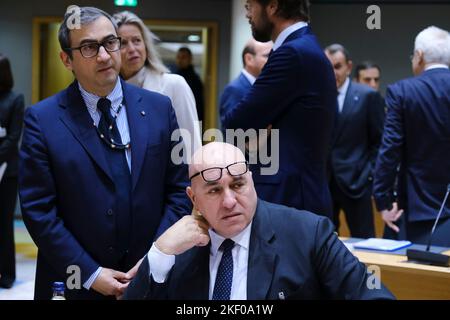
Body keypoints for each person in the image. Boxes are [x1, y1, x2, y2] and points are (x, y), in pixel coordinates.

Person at [18, 6, 191, 300]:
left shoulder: (160, 109)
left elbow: (178, 192)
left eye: (111, 42)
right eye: (88, 47)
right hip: (75, 284)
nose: (103, 55)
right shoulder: (42, 120)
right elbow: (39, 212)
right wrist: (91, 274)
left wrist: (153, 259)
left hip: (152, 280)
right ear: (66, 59)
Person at [123, 142, 395, 300]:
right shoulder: (179, 247)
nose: (229, 201)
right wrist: (158, 254)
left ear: (252, 181)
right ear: (194, 199)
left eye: (238, 184)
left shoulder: (308, 233)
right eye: (215, 190)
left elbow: (372, 294)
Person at [221, 0, 337, 218]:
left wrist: (260, 131)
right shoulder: (306, 48)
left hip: (289, 200)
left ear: (272, 6)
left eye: (250, 6)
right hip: (302, 194)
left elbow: (235, 123)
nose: (248, 14)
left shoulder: (292, 53)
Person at [373, 26, 450, 246]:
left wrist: (383, 201)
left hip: (417, 209)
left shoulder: (402, 91)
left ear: (420, 56)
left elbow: (390, 150)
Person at [113, 11, 201, 155]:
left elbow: (191, 147)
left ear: (146, 45)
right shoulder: (108, 94)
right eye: (123, 43)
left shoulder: (174, 85)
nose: (132, 49)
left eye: (137, 40)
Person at [324, 44, 385, 238]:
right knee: (324, 241)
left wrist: (370, 175)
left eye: (337, 66)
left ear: (349, 67)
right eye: (327, 66)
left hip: (357, 182)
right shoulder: (317, 96)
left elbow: (379, 141)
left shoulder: (368, 96)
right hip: (324, 182)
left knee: (365, 240)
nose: (333, 72)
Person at [0, 53, 24, 289]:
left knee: (4, 224)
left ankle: (6, 274)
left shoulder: (15, 99)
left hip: (7, 172)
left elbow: (14, 137)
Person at [219, 38, 272, 130]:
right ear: (249, 59)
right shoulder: (235, 89)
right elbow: (231, 131)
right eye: (267, 55)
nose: (272, 59)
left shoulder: (262, 86)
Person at [175, 47, 205, 123]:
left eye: (183, 57)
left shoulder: (195, 80)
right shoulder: (174, 77)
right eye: (178, 57)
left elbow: (198, 106)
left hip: (191, 118)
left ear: (190, 59)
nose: (180, 60)